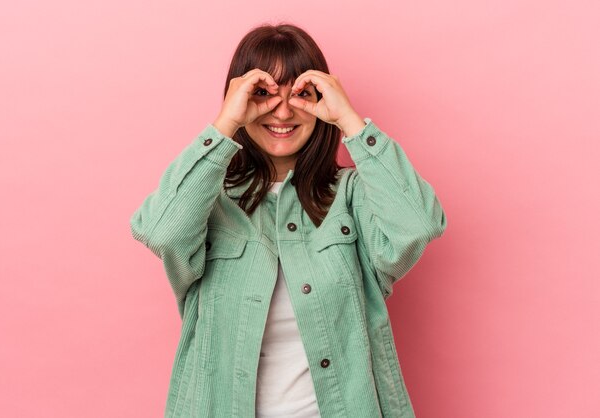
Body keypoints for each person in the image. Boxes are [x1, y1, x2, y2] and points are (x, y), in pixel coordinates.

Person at [130, 22, 446, 418]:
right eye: (262, 94)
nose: (281, 111)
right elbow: (160, 231)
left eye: (299, 94)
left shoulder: (350, 196)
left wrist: (349, 120)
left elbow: (419, 224)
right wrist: (224, 124)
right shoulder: (209, 200)